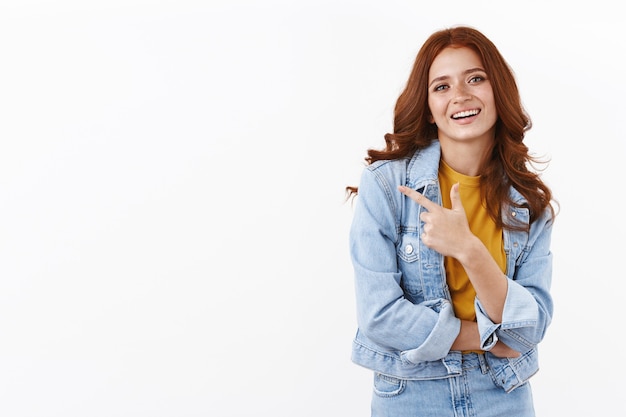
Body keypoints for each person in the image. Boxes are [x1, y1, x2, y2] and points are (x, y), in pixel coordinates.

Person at [346, 26, 556, 417]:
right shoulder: (388, 184)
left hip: (502, 393)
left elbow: (530, 330)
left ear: (499, 91)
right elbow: (379, 316)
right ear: (427, 107)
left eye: (475, 78)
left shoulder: (528, 202)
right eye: (441, 86)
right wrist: (488, 337)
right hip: (411, 392)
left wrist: (468, 249)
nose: (460, 95)